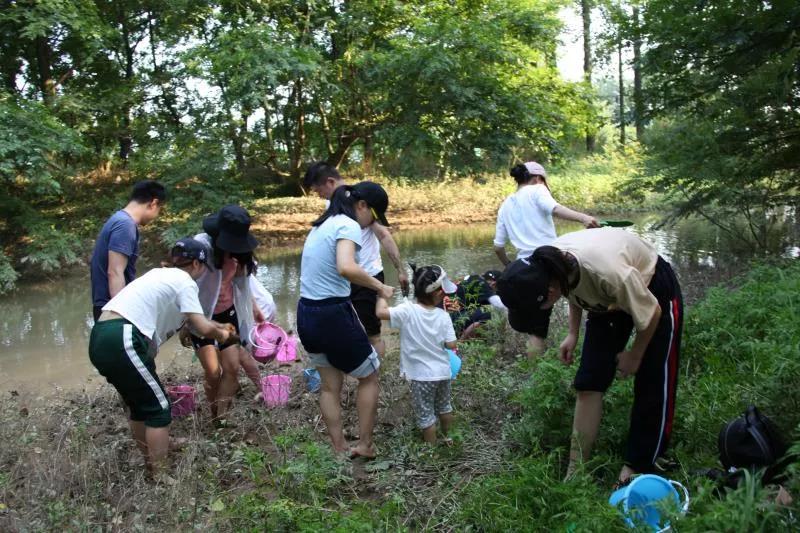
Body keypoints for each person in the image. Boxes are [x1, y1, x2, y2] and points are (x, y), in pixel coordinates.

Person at [495, 228, 683, 486]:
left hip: (651, 289)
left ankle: (638, 465)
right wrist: (572, 332)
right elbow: (573, 287)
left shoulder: (609, 273)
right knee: (588, 382)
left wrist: (635, 355)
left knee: (653, 379)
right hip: (607, 298)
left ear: (549, 292)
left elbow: (651, 314)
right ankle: (576, 469)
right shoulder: (552, 265)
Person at [89, 238, 233, 474]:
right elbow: (204, 328)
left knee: (139, 406)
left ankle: (151, 460)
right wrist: (224, 335)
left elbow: (190, 320)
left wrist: (193, 327)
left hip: (101, 336)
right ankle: (161, 475)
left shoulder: (159, 274)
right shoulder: (185, 281)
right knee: (159, 407)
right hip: (123, 336)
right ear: (196, 265)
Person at [296, 183, 395, 459]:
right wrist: (379, 287)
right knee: (370, 376)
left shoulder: (322, 224)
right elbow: (346, 267)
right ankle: (364, 445)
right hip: (332, 314)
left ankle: (339, 449)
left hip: (306, 313)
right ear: (361, 206)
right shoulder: (348, 224)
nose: (372, 223)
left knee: (329, 385)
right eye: (373, 215)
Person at [303, 162, 409, 358]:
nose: (319, 195)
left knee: (371, 334)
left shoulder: (363, 200)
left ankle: (375, 375)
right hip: (345, 278)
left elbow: (384, 235)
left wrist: (400, 270)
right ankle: (360, 372)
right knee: (346, 331)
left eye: (319, 190)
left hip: (367, 275)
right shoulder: (335, 206)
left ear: (330, 182)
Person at [493, 162, 598, 357]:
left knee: (535, 327)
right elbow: (555, 209)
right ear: (537, 178)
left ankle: (533, 371)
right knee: (578, 296)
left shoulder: (506, 204)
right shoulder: (537, 189)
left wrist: (510, 266)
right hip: (550, 263)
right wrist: (583, 218)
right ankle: (583, 348)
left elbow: (498, 247)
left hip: (524, 270)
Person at [183, 205, 265, 420]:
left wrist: (255, 309)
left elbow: (242, 286)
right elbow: (183, 287)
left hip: (228, 315)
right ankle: (213, 412)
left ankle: (222, 415)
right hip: (202, 318)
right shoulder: (200, 248)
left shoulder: (239, 255)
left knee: (232, 368)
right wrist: (184, 322)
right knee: (213, 372)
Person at [376, 265, 458, 444]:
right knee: (445, 407)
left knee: (426, 414)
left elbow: (380, 313)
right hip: (443, 373)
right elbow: (451, 344)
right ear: (436, 294)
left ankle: (431, 450)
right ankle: (449, 438)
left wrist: (382, 295)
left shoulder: (407, 310)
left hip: (421, 377)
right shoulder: (443, 316)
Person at [90, 180, 166, 321]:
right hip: (111, 311)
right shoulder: (125, 225)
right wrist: (123, 315)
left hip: (106, 306)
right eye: (160, 209)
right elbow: (115, 272)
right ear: (153, 203)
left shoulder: (118, 219)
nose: (157, 215)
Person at [444, 270, 507, 339]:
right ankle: (460, 344)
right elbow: (501, 306)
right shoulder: (483, 285)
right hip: (454, 323)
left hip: (448, 319)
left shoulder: (472, 278)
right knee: (488, 314)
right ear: (494, 283)